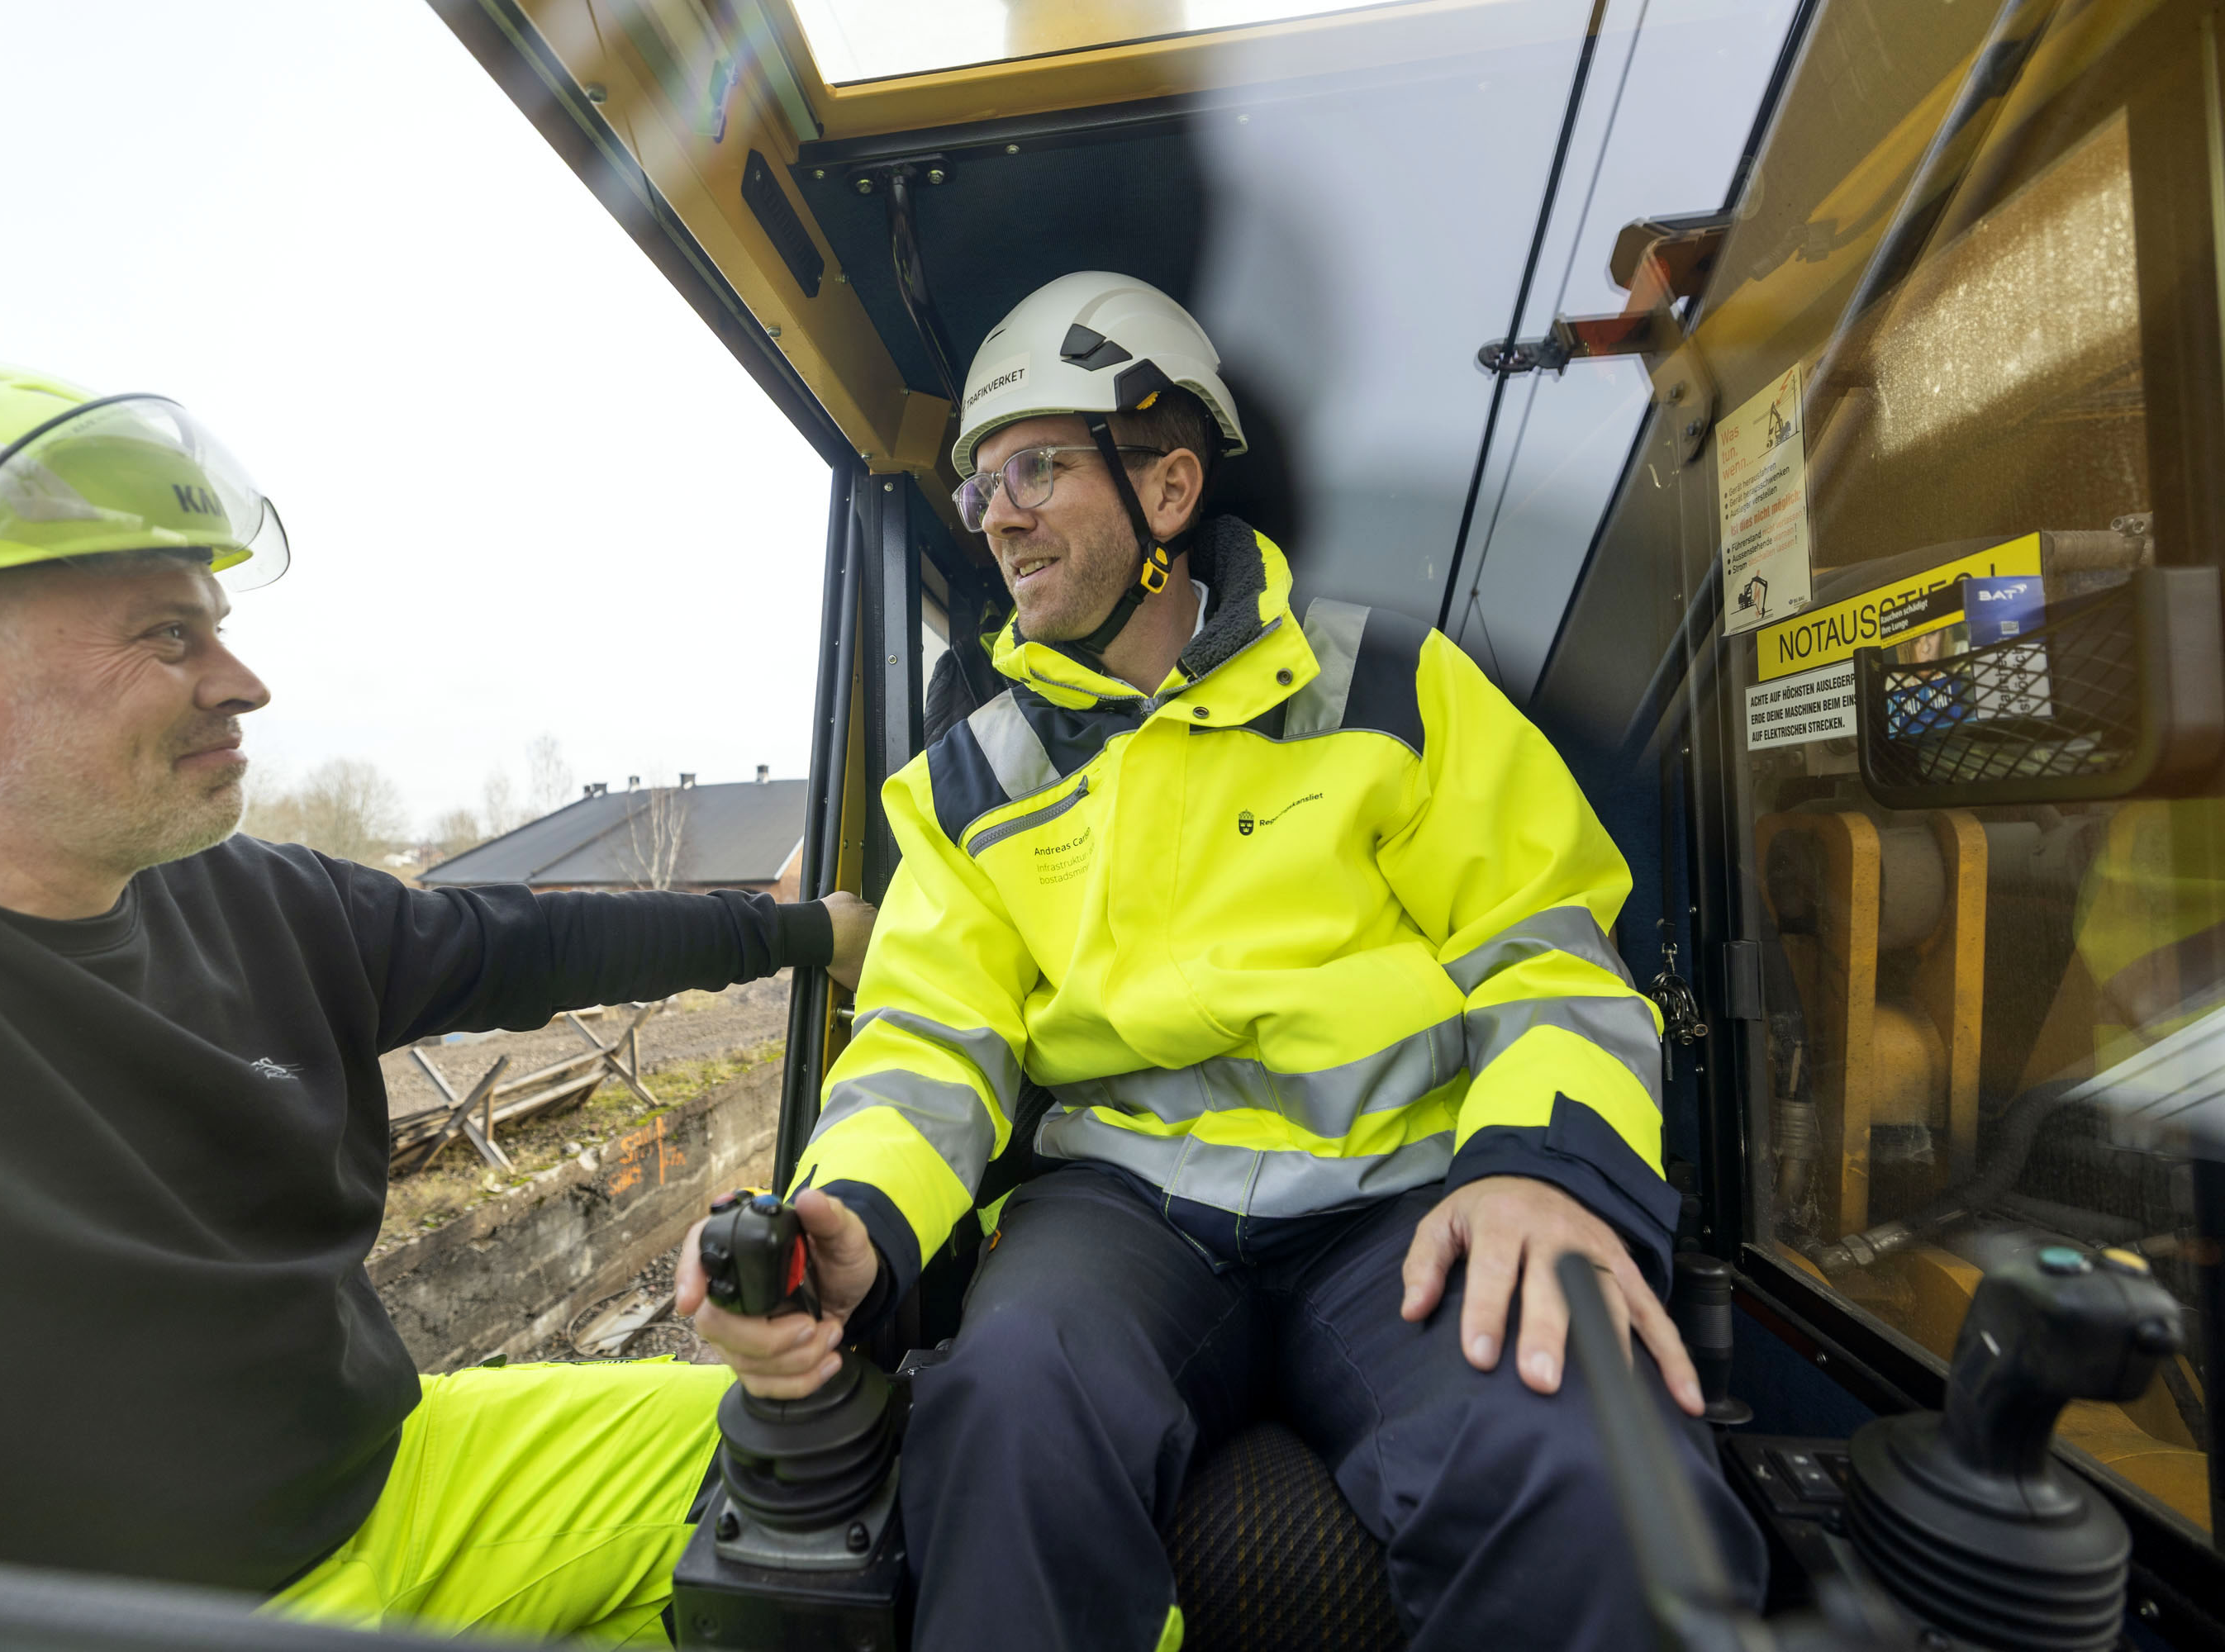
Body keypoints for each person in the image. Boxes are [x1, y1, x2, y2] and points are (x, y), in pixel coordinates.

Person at [681, 273, 1766, 1650]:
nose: (996, 513)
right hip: (1123, 1219)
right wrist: (855, 1213)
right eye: (980, 486)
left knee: (1585, 1461)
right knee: (1004, 1405)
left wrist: (1543, 1174)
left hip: (1402, 1202)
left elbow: (1548, 962)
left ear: (1170, 487)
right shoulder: (965, 789)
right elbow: (927, 1047)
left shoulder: (1397, 690)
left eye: (1035, 468)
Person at [0, 345, 873, 1651]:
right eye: (168, 633)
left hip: (390, 1488)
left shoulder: (267, 904)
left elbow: (537, 943)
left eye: (217, 627)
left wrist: (808, 931)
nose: (244, 681)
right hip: (70, 1622)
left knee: (874, 1469)